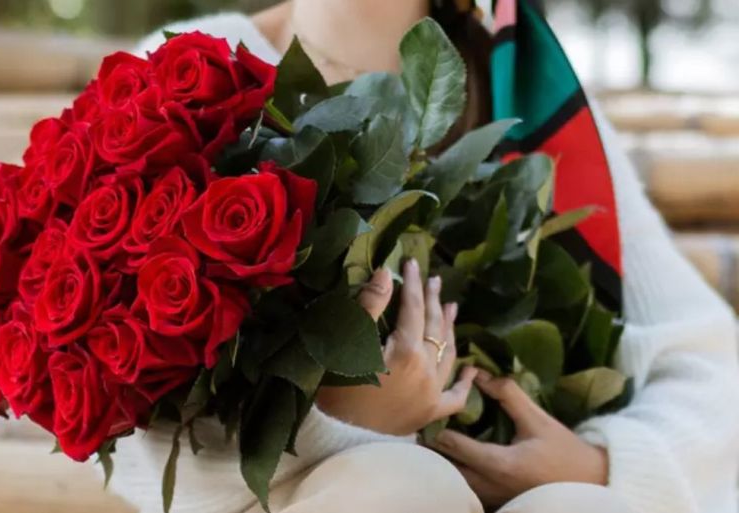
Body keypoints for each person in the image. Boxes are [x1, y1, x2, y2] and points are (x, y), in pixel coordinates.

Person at [108, 1, 739, 512]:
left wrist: (600, 465)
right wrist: (344, 423)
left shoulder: (520, 80)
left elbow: (709, 361)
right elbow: (129, 406)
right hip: (313, 499)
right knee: (396, 490)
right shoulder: (192, 68)